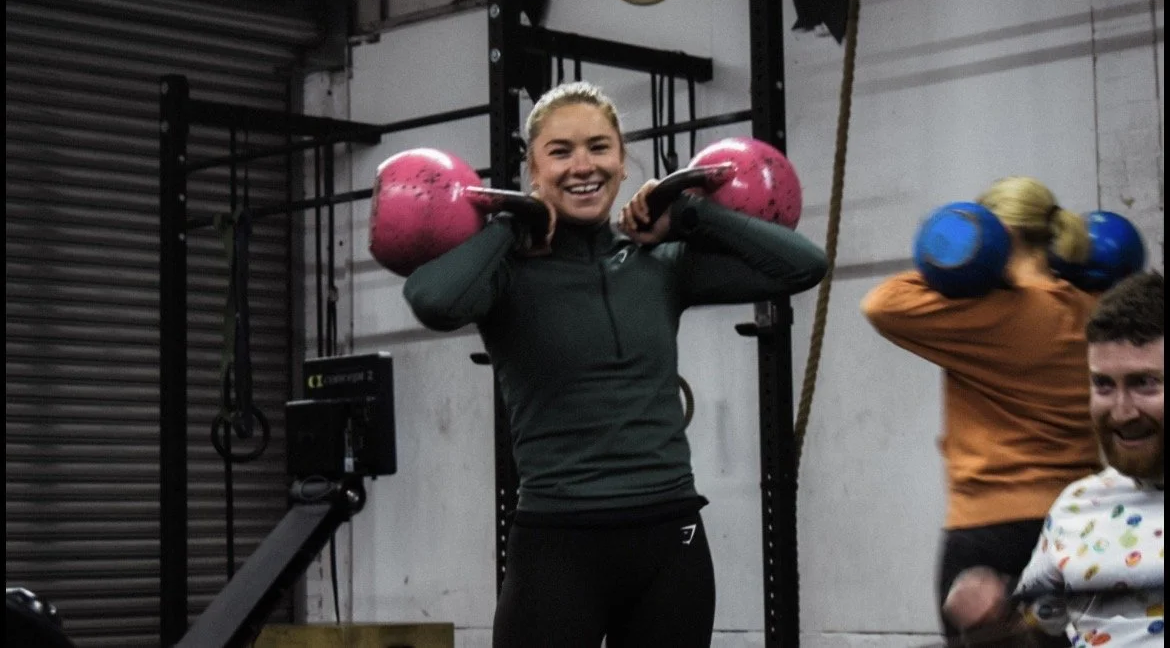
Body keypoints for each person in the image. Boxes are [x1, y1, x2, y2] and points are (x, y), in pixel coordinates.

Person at [403, 81, 828, 648]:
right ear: (533, 170)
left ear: (624, 163)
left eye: (599, 148)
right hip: (557, 544)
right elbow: (432, 301)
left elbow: (804, 266)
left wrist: (692, 216)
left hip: (669, 540)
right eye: (560, 152)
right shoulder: (505, 273)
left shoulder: (662, 264)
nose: (583, 166)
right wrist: (507, 227)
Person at [860, 176, 1102, 643]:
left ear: (1000, 234)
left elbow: (881, 304)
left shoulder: (989, 313)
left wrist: (962, 260)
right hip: (1080, 526)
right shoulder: (1092, 309)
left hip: (989, 534)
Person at [943, 271, 1164, 646]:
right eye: (1104, 385)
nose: (1122, 411)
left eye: (1144, 383)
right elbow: (1042, 633)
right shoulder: (1077, 509)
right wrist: (993, 626)